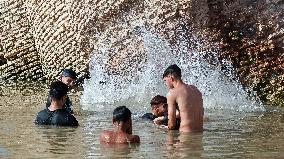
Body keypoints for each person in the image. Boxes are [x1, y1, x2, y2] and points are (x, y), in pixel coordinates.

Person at [163, 64, 204, 133]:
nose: (166, 84)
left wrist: (162, 128)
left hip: (185, 135)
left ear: (170, 77)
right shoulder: (195, 89)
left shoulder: (172, 93)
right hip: (200, 134)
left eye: (165, 80)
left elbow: (172, 124)